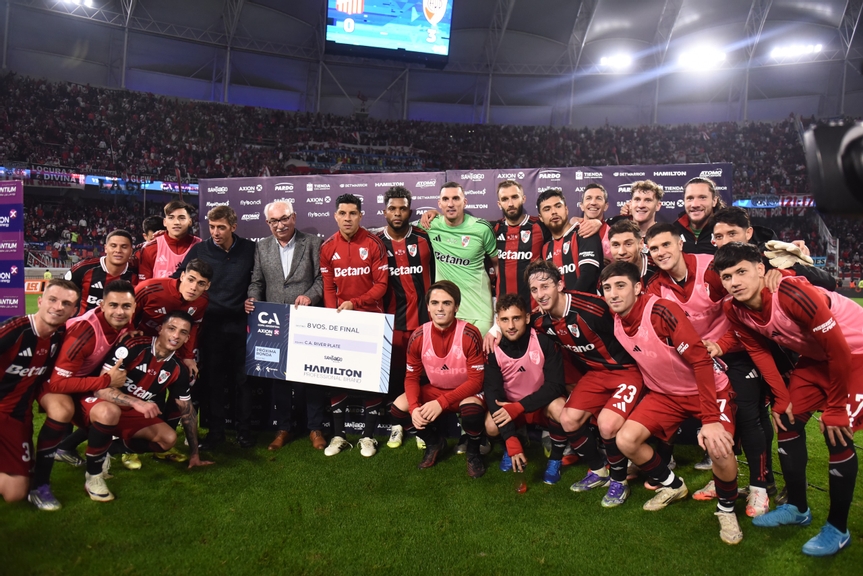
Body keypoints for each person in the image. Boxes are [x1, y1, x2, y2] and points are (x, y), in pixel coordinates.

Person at [714, 242, 860, 556]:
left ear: (760, 269)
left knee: (837, 433)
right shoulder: (733, 308)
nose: (735, 281)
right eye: (727, 276)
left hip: (856, 355)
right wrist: (781, 397)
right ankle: (797, 507)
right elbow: (758, 351)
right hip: (816, 358)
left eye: (741, 271)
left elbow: (840, 350)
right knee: (787, 421)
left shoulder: (791, 294)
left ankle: (837, 528)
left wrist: (835, 407)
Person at [601, 262, 743, 546]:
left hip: (705, 390)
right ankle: (673, 486)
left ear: (638, 287)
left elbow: (701, 360)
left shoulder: (661, 311)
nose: (613, 294)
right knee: (626, 440)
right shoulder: (616, 318)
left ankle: (726, 509)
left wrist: (711, 419)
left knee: (720, 450)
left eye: (620, 285)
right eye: (607, 288)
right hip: (665, 395)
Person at [644, 223, 775, 517]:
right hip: (704, 362)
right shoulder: (656, 286)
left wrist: (722, 344)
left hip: (739, 351)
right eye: (654, 248)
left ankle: (761, 487)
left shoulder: (710, 269)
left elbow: (744, 303)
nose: (661, 252)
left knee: (751, 417)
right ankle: (728, 480)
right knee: (730, 424)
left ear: (680, 243)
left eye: (666, 245)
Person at [519, 259, 644, 506]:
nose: (540, 295)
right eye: (534, 290)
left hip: (627, 371)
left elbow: (631, 326)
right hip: (596, 373)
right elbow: (519, 319)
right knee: (568, 419)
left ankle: (619, 481)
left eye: (545, 286)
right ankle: (598, 470)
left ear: (560, 284)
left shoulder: (594, 308)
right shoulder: (540, 319)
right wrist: (493, 331)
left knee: (607, 426)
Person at [78, 311, 213, 502]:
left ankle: (108, 449)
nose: (175, 336)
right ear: (160, 329)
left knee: (168, 439)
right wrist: (137, 402)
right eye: (171, 328)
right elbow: (101, 389)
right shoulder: (134, 347)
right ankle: (93, 477)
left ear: (187, 338)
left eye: (182, 332)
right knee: (110, 412)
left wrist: (194, 454)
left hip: (129, 412)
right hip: (99, 403)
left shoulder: (177, 369)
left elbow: (187, 411)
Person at [29, 280, 136, 510]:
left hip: (81, 382)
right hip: (53, 382)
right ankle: (40, 485)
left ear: (134, 307)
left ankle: (89, 471)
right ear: (102, 305)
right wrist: (106, 381)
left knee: (114, 410)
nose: (120, 311)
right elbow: (58, 383)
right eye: (114, 305)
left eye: (126, 306)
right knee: (62, 410)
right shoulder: (85, 331)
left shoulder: (124, 324)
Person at [174, 205, 256, 450]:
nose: (216, 232)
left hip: (242, 326)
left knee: (244, 382)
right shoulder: (200, 250)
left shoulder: (251, 249)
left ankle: (245, 433)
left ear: (233, 226)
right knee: (213, 382)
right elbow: (179, 277)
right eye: (212, 227)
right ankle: (216, 433)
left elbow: (258, 279)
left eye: (221, 227)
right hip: (210, 328)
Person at [246, 200, 326, 451]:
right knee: (278, 379)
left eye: (284, 219)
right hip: (273, 323)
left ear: (294, 216)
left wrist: (311, 296)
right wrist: (253, 299)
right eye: (273, 221)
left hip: (307, 320)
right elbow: (257, 281)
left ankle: (315, 428)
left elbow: (323, 278)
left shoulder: (313, 242)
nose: (279, 225)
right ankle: (284, 428)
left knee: (311, 377)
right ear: (268, 223)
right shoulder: (261, 247)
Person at [389, 281, 487, 478]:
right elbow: (411, 377)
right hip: (436, 390)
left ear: (457, 307)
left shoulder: (470, 334)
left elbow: (476, 381)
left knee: (472, 411)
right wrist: (416, 407)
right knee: (399, 408)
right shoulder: (418, 336)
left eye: (446, 303)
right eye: (434, 303)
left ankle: (473, 452)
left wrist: (441, 403)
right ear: (428, 307)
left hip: (466, 392)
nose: (439, 308)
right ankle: (434, 442)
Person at [320, 193, 389, 457]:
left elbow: (381, 286)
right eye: (342, 213)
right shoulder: (327, 247)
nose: (347, 218)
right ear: (335, 215)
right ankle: (338, 436)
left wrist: (355, 303)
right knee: (337, 377)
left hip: (371, 320)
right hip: (341, 322)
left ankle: (368, 437)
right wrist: (331, 316)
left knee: (370, 379)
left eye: (352, 213)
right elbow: (328, 286)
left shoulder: (374, 244)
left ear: (361, 215)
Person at [0, 280, 78, 507]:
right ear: (40, 301)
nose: (58, 307)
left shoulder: (60, 336)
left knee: (15, 493)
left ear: (73, 311)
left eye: (66, 303)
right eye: (52, 300)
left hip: (17, 417)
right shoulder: (15, 331)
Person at [483, 293, 567, 485]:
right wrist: (509, 437)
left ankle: (555, 459)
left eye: (516, 318)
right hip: (512, 409)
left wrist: (520, 406)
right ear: (498, 322)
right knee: (490, 425)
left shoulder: (544, 342)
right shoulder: (493, 350)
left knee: (562, 410)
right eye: (505, 320)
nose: (511, 326)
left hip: (539, 405)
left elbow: (556, 386)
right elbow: (492, 394)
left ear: (527, 317)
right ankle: (513, 441)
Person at [375, 186, 435, 450]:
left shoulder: (425, 237)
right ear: (384, 211)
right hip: (392, 324)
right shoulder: (375, 242)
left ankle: (422, 425)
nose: (397, 213)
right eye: (392, 208)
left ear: (410, 211)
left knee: (424, 377)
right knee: (395, 377)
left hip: (424, 322)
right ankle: (397, 425)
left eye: (402, 208)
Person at [422, 182, 498, 335]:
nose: (450, 204)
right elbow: (399, 229)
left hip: (479, 312)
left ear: (465, 202)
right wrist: (429, 213)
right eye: (445, 199)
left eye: (456, 198)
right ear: (439, 203)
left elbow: (497, 265)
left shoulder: (481, 228)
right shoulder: (430, 225)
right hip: (445, 313)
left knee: (480, 359)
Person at [711, 207, 836, 291]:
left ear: (748, 233)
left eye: (732, 234)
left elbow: (829, 281)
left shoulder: (771, 256)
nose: (725, 241)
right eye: (719, 236)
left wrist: (789, 271)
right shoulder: (715, 263)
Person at [491, 180, 549, 306]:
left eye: (515, 197)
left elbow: (564, 228)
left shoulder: (539, 225)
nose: (510, 203)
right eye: (505, 199)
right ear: (499, 204)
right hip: (505, 307)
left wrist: (589, 222)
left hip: (535, 305)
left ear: (523, 199)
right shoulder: (494, 229)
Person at [537, 189, 602, 293]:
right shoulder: (546, 247)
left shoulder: (584, 232)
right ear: (540, 217)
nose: (554, 212)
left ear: (566, 210)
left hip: (585, 306)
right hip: (560, 308)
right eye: (547, 209)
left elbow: (588, 274)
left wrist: (570, 303)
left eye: (558, 206)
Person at [65, 230, 138, 316]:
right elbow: (63, 297)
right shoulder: (83, 269)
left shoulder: (137, 273)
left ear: (131, 250)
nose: (118, 250)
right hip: (84, 326)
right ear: (106, 248)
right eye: (113, 246)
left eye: (124, 247)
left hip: (120, 328)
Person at [137, 201, 201, 280]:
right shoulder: (150, 248)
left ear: (190, 222)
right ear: (165, 222)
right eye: (171, 218)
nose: (176, 222)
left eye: (182, 218)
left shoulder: (201, 247)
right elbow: (144, 286)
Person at [608, 220, 656, 285]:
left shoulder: (657, 270)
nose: (621, 252)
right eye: (616, 245)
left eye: (628, 244)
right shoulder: (607, 277)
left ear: (641, 244)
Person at [580, 183, 612, 264]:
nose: (593, 202)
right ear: (581, 206)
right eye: (588, 198)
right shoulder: (572, 231)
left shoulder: (613, 234)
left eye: (598, 198)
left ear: (606, 206)